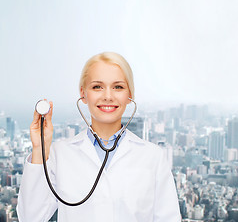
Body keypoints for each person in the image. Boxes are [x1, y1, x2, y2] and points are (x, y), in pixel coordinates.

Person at [17, 52, 181, 222]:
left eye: (118, 87)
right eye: (97, 87)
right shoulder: (59, 154)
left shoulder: (152, 156)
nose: (108, 96)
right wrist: (39, 150)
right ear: (83, 94)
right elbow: (30, 217)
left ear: (129, 95)